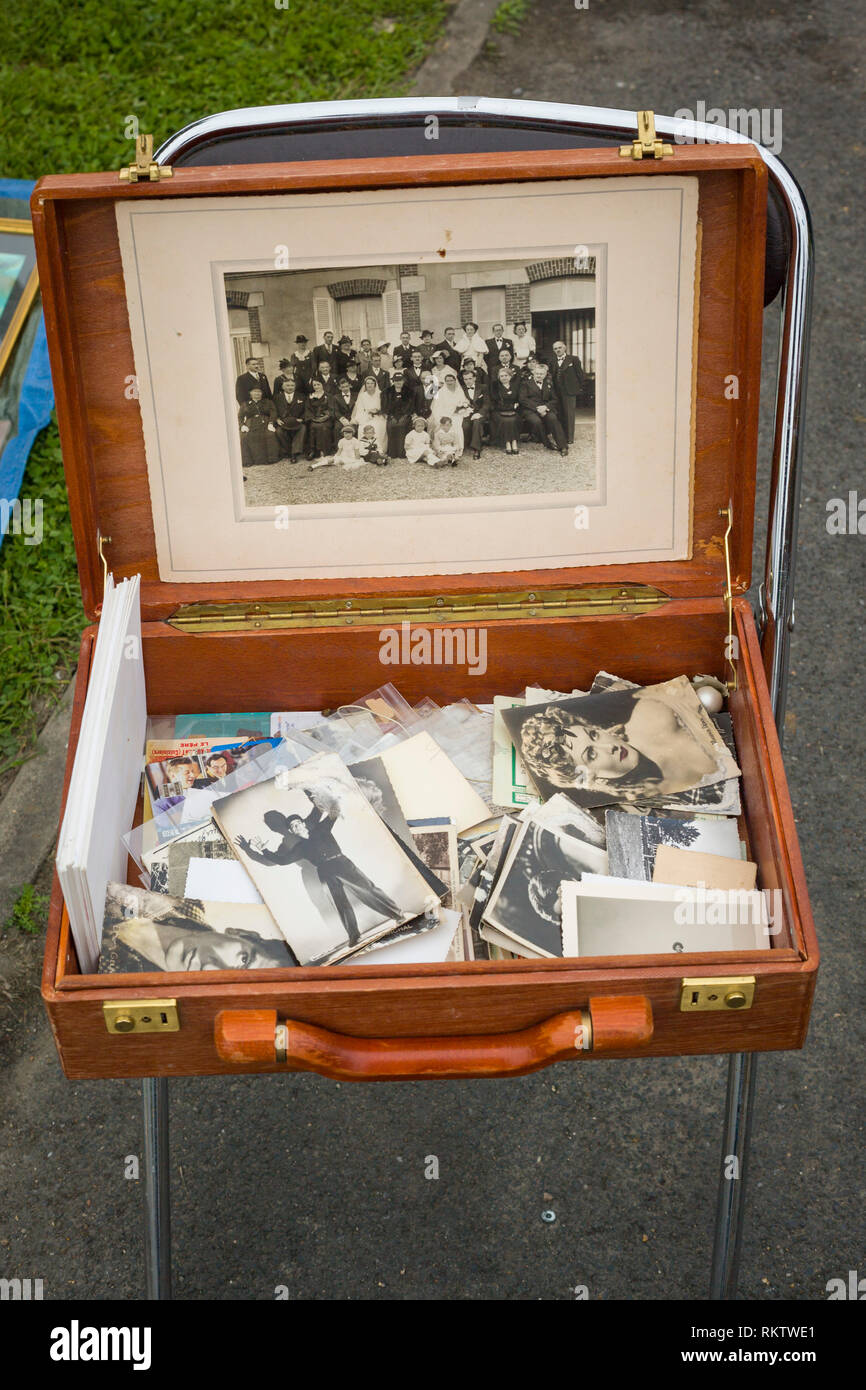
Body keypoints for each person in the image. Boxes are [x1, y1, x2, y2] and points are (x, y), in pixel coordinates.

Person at [236, 805, 406, 948]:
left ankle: (398, 915)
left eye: (298, 823)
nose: (296, 827)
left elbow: (331, 811)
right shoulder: (299, 847)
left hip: (342, 864)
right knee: (341, 903)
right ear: (290, 830)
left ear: (302, 823)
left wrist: (315, 790)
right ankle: (354, 936)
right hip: (324, 872)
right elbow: (280, 861)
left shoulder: (320, 827)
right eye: (293, 827)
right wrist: (258, 849)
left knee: (368, 890)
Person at [515, 691, 718, 801]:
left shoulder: (654, 713)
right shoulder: (639, 801)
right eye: (591, 754)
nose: (608, 746)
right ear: (589, 778)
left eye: (593, 735)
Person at [114, 906, 295, 971]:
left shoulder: (120, 981)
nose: (210, 967)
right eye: (244, 960)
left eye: (234, 985)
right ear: (240, 933)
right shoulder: (187, 902)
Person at [519, 363, 568, 454]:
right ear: (533, 373)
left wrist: (545, 407)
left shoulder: (548, 384)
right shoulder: (525, 384)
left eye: (541, 374)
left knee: (553, 419)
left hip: (545, 409)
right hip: (530, 410)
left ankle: (563, 446)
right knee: (536, 421)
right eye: (537, 373)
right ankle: (547, 443)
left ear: (545, 375)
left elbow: (554, 399)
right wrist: (537, 408)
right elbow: (523, 400)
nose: (539, 375)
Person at [549, 340, 586, 444]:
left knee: (569, 414)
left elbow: (580, 375)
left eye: (559, 347)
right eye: (555, 349)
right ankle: (561, 436)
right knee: (559, 413)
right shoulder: (552, 361)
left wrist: (579, 388)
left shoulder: (573, 359)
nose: (558, 350)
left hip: (569, 391)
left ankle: (569, 438)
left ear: (564, 348)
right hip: (556, 391)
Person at [429, 369, 469, 457]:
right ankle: (441, 448)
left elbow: (463, 402)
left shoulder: (459, 391)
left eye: (451, 380)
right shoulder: (441, 392)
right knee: (444, 424)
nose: (449, 382)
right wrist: (440, 417)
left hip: (456, 414)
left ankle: (458, 448)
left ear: (455, 381)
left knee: (457, 425)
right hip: (444, 413)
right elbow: (436, 407)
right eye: (447, 381)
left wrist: (461, 408)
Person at [239, 386, 281, 467]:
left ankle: (271, 458)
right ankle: (247, 460)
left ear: (262, 393)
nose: (257, 393)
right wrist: (242, 426)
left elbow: (273, 413)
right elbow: (240, 417)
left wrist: (271, 423)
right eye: (254, 392)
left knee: (270, 435)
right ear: (250, 393)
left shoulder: (268, 402)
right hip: (250, 423)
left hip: (265, 422)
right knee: (245, 436)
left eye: (259, 392)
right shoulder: (245, 404)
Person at [384, 370, 419, 457]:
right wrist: (392, 416)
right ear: (393, 381)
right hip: (392, 415)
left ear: (403, 381)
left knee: (402, 425)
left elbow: (412, 406)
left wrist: (405, 415)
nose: (398, 382)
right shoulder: (387, 392)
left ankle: (402, 453)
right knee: (392, 425)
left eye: (400, 380)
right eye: (396, 380)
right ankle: (392, 453)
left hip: (405, 415)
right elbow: (385, 406)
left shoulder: (410, 392)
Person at [351, 375, 388, 452]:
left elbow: (385, 407)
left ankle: (379, 450)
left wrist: (378, 411)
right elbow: (360, 409)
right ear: (365, 385)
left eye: (371, 383)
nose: (369, 385)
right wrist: (368, 413)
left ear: (375, 384)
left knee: (377, 427)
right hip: (366, 416)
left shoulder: (381, 394)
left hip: (379, 417)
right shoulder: (362, 396)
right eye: (367, 383)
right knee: (363, 428)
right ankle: (364, 451)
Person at [490, 365, 521, 454]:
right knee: (505, 420)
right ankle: (508, 442)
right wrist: (511, 406)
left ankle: (514, 441)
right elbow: (494, 402)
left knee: (513, 419)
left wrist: (515, 405)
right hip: (498, 411)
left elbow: (519, 399)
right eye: (501, 376)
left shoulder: (515, 386)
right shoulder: (495, 387)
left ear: (510, 377)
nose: (504, 378)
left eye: (506, 376)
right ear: (498, 377)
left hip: (514, 411)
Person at [459, 364, 488, 458]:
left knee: (477, 422)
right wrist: (464, 410)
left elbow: (487, 404)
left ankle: (477, 448)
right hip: (467, 412)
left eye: (470, 378)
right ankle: (465, 444)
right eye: (465, 379)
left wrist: (480, 413)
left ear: (474, 378)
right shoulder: (461, 389)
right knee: (465, 425)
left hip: (480, 413)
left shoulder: (483, 387)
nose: (468, 381)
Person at [274, 379, 307, 461]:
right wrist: (277, 419)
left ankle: (294, 453)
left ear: (295, 387)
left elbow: (307, 410)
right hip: (283, 422)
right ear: (283, 387)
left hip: (297, 422)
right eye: (287, 385)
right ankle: (289, 451)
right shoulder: (277, 397)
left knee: (302, 428)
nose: (290, 387)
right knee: (279, 431)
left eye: (292, 385)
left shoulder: (302, 396)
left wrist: (302, 418)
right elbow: (273, 411)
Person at [304, 378, 334, 461]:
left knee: (323, 427)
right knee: (313, 426)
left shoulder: (328, 396)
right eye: (315, 385)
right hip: (314, 419)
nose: (316, 386)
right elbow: (307, 409)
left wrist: (325, 417)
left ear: (322, 385)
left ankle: (324, 451)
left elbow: (331, 409)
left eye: (318, 384)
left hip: (326, 419)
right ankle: (313, 450)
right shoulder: (310, 397)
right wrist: (313, 418)